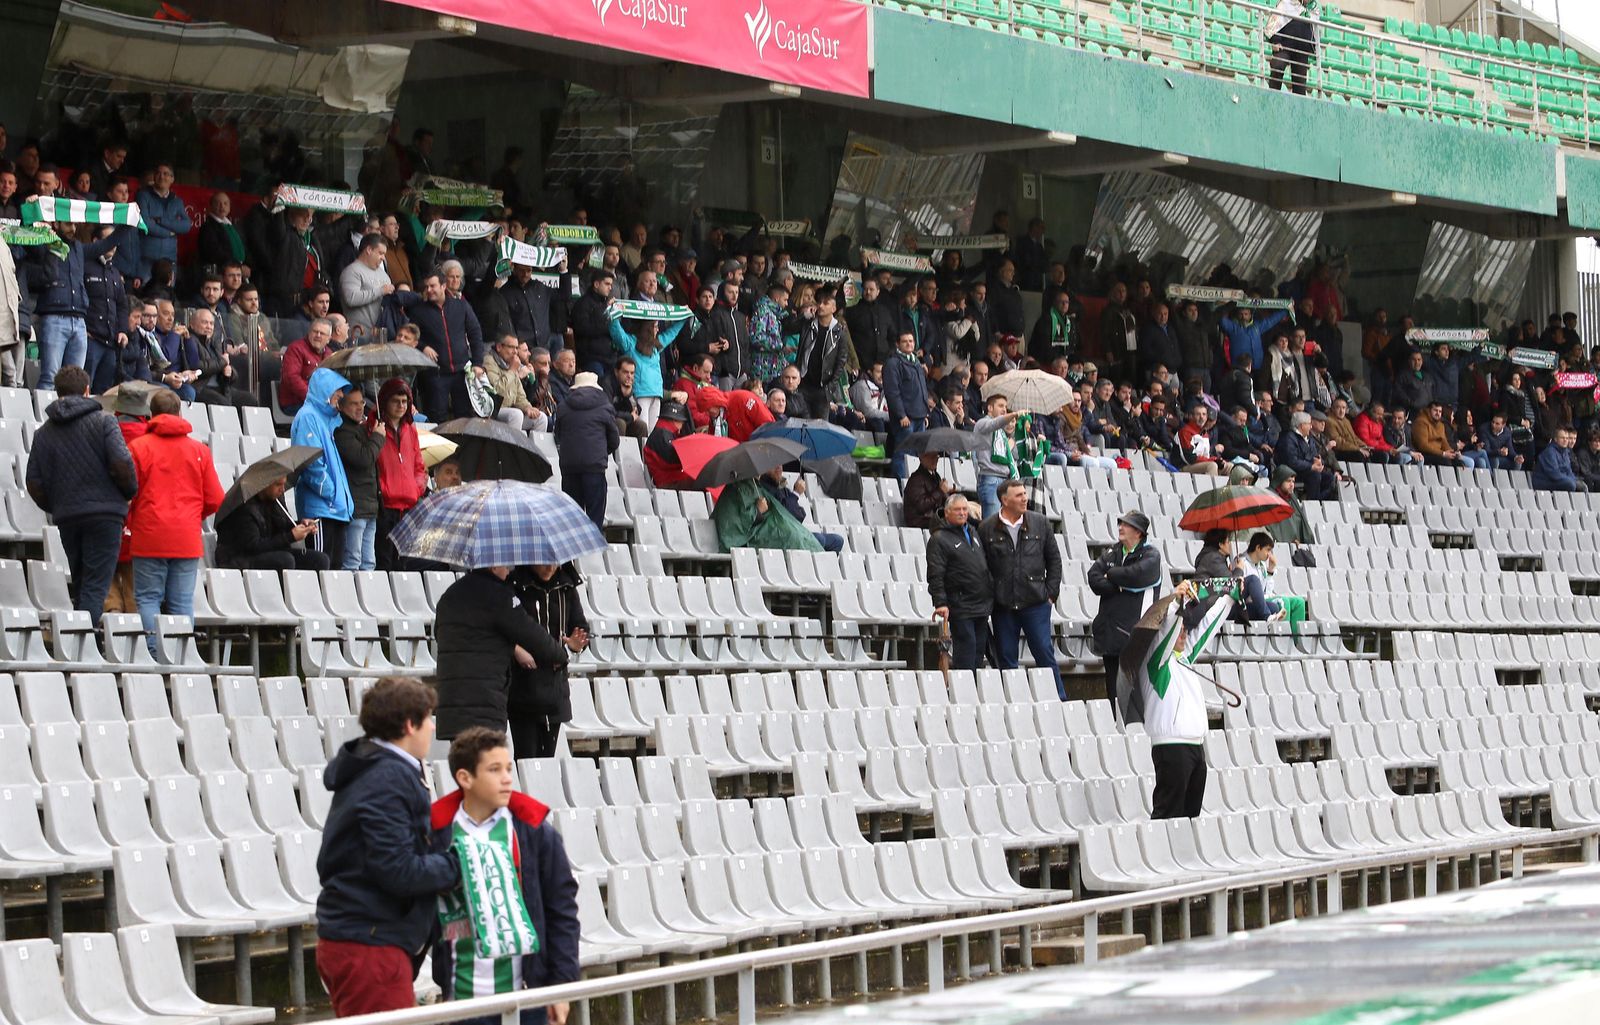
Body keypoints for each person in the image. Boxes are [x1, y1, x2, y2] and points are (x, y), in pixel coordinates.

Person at [316, 676, 462, 1017]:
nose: (432, 727)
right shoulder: (386, 777)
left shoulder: (382, 768)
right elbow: (396, 869)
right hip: (369, 942)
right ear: (410, 725)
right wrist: (458, 866)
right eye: (428, 718)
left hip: (368, 937)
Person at [429, 728, 580, 1024]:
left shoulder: (535, 833)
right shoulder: (436, 835)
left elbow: (562, 911)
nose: (507, 778)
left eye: (508, 768)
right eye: (495, 770)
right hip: (461, 1001)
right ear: (465, 778)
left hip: (526, 999)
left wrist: (562, 986)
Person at [25, 366, 138, 625]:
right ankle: (85, 648)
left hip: (68, 515)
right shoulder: (105, 421)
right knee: (96, 585)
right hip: (105, 514)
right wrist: (128, 493)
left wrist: (56, 505)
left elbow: (33, 482)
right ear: (88, 391)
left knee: (82, 581)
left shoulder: (43, 433)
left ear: (57, 393)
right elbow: (122, 464)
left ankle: (84, 643)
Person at [1123, 580, 1233, 820]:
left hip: (1195, 746)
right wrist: (1176, 602)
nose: (1184, 634)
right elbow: (1167, 629)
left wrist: (1229, 598)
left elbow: (1207, 627)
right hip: (1171, 747)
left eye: (1185, 630)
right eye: (1181, 629)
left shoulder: (1184, 658)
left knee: (1190, 816)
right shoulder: (1156, 661)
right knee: (1168, 814)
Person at [126, 389, 223, 654]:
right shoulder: (199, 450)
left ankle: (155, 653)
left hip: (149, 534)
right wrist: (192, 516)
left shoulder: (138, 448)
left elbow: (128, 494)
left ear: (151, 415)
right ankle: (182, 657)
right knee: (182, 603)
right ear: (179, 412)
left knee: (148, 599)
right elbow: (215, 498)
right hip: (186, 537)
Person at [434, 565, 569, 739]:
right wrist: (560, 655)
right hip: (485, 704)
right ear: (493, 566)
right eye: (505, 566)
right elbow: (532, 635)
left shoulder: (449, 595)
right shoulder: (499, 596)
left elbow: (439, 634)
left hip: (452, 705)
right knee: (486, 763)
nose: (508, 571)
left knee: (464, 762)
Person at [980, 479, 1063, 699]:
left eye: (1025, 494)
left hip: (1036, 603)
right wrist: (992, 594)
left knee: (1044, 653)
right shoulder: (986, 528)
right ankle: (1013, 702)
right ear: (1004, 500)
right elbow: (983, 566)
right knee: (1006, 657)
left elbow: (1054, 560)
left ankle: (1059, 699)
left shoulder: (1041, 523)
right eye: (1019, 495)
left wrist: (1051, 594)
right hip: (1003, 605)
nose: (1025, 498)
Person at [506, 566, 592, 760]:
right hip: (523, 685)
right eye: (544, 561)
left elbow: (580, 628)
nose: (549, 567)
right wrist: (517, 649)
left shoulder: (567, 587)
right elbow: (502, 626)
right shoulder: (515, 585)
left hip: (555, 685)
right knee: (526, 756)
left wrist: (577, 643)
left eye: (554, 562)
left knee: (547, 758)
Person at [1087, 510, 1163, 709]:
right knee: (1113, 693)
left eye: (1126, 525)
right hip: (1110, 634)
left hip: (1135, 636)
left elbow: (1136, 575)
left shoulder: (1151, 555)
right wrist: (1118, 585)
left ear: (1138, 532)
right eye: (1120, 523)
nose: (1120, 527)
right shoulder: (1113, 552)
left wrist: (1110, 575)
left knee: (1134, 696)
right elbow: (1094, 578)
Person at [291, 367, 356, 569]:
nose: (341, 395)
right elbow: (310, 463)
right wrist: (331, 492)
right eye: (337, 389)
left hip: (334, 509)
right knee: (321, 570)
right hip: (321, 511)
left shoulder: (324, 421)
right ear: (324, 389)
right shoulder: (308, 417)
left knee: (334, 570)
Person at [401, 271, 485, 423]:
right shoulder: (419, 311)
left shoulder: (461, 306)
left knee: (464, 417)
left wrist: (478, 363)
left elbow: (475, 333)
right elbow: (408, 337)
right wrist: (423, 347)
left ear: (443, 286)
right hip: (435, 374)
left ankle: (463, 447)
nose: (429, 290)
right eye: (426, 287)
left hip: (462, 373)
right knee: (437, 418)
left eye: (433, 286)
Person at [927, 494, 993, 672]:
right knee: (966, 650)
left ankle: (974, 691)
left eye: (965, 509)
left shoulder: (974, 531)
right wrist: (940, 602)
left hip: (981, 604)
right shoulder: (939, 539)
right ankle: (964, 693)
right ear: (947, 512)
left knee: (979, 652)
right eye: (957, 510)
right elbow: (935, 573)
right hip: (960, 604)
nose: (962, 513)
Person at [214, 474, 330, 571]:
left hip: (267, 551)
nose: (283, 489)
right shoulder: (245, 508)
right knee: (285, 560)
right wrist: (290, 536)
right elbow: (253, 546)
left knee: (320, 560)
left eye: (284, 484)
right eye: (278, 484)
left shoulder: (275, 499)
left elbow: (282, 524)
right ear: (264, 484)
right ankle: (285, 597)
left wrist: (301, 525)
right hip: (238, 558)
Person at [553, 372, 620, 529]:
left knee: (571, 516)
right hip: (594, 467)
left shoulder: (563, 407)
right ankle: (593, 551)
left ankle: (573, 551)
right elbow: (614, 440)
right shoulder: (605, 407)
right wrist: (601, 452)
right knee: (594, 517)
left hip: (569, 467)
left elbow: (558, 436)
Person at [334, 388, 383, 571]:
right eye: (353, 403)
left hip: (370, 505)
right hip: (356, 506)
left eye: (361, 402)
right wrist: (378, 437)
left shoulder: (362, 429)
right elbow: (363, 458)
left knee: (369, 563)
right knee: (352, 561)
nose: (359, 407)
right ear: (342, 406)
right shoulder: (342, 432)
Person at [713, 477, 823, 553]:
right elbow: (737, 524)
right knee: (792, 537)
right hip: (744, 539)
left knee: (803, 537)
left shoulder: (757, 486)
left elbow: (797, 514)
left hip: (765, 531)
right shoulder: (737, 488)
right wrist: (758, 511)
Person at [759, 466, 843, 552]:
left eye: (780, 463)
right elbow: (786, 517)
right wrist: (795, 494)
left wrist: (794, 496)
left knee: (837, 541)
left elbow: (799, 516)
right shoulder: (763, 490)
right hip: (782, 537)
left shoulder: (782, 488)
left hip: (795, 532)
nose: (779, 467)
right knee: (819, 539)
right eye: (774, 463)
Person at [883, 331, 930, 480]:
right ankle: (901, 485)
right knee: (903, 454)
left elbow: (922, 390)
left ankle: (913, 483)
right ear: (897, 344)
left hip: (919, 416)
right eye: (905, 341)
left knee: (917, 454)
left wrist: (925, 412)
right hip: (906, 418)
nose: (909, 344)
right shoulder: (893, 363)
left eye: (911, 341)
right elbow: (892, 392)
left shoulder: (916, 362)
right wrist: (901, 415)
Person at [1276, 410, 1335, 499]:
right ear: (1302, 426)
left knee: (1329, 477)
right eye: (1309, 424)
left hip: (1308, 471)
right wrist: (1311, 466)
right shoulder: (1288, 439)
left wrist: (1319, 462)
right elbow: (1292, 462)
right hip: (1294, 472)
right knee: (1315, 476)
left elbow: (1316, 455)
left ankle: (1322, 503)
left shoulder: (1309, 439)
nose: (1311, 427)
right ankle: (1313, 503)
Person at [279, 318, 334, 413]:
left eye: (322, 333)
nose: (318, 335)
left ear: (329, 339)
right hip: (295, 404)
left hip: (320, 404)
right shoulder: (295, 348)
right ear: (309, 332)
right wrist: (314, 399)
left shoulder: (330, 354)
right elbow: (292, 378)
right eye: (315, 331)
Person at [1265, 464, 1316, 545]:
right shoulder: (1269, 497)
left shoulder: (1292, 498)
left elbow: (1302, 523)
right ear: (1279, 480)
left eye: (1293, 481)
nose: (1292, 485)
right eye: (1288, 481)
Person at [902, 450, 953, 530]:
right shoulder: (916, 479)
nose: (935, 460)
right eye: (931, 457)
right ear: (921, 458)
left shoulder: (935, 476)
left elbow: (942, 500)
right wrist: (940, 491)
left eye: (936, 457)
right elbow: (921, 506)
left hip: (933, 518)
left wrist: (953, 502)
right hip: (920, 521)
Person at [1534, 426, 1585, 492]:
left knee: (1582, 486)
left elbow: (1568, 471)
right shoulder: (1550, 452)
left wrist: (1574, 479)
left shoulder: (1565, 452)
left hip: (1559, 480)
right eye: (1562, 438)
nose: (1565, 440)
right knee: (1570, 484)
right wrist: (1571, 480)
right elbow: (1554, 474)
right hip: (1545, 481)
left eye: (1567, 438)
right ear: (1555, 439)